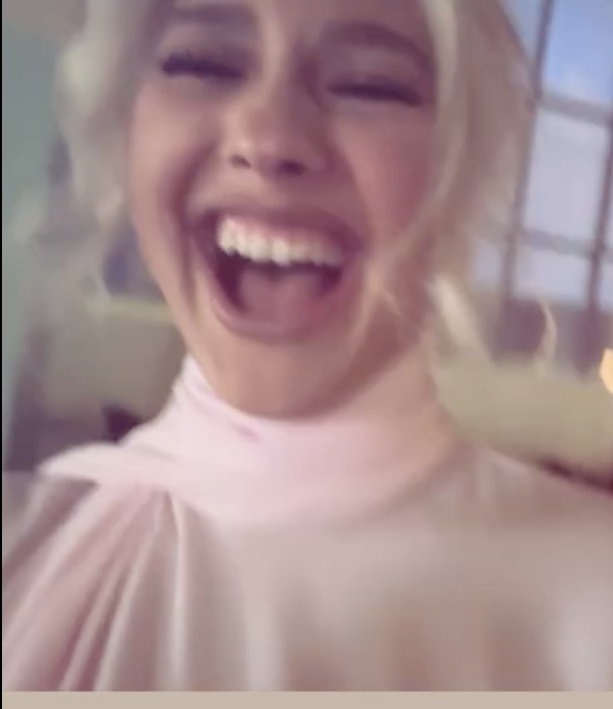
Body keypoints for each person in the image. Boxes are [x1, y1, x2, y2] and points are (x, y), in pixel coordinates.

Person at [3, 0, 612, 691]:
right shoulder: (28, 545)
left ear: (459, 166)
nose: (268, 137)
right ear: (126, 132)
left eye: (367, 84)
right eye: (202, 62)